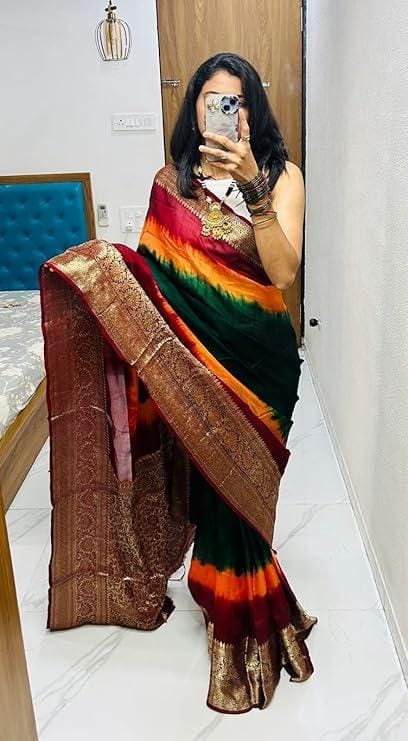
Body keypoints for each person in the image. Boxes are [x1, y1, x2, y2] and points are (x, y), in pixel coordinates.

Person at [39, 52, 317, 715]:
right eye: (212, 100)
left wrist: (252, 187)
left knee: (247, 485)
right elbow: (155, 284)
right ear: (193, 109)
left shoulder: (283, 176)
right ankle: (232, 608)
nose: (224, 111)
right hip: (195, 362)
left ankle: (238, 605)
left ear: (253, 110)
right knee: (218, 486)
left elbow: (282, 272)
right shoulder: (172, 183)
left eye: (236, 101)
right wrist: (100, 276)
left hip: (261, 363)